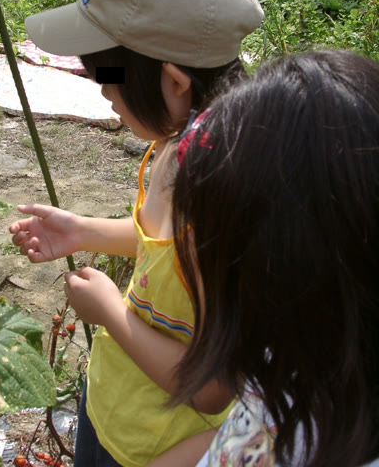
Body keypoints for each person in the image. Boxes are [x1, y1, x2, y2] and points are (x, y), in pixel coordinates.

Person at [8, 0, 264, 467]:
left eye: (110, 78)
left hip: (158, 446)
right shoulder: (175, 143)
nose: (104, 93)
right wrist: (83, 231)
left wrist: (111, 311)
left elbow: (211, 387)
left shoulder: (224, 197)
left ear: (174, 82)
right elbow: (165, 247)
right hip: (113, 407)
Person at [147, 50, 379, 467]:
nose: (192, 256)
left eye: (208, 243)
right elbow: (243, 429)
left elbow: (214, 398)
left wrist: (110, 310)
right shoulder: (302, 354)